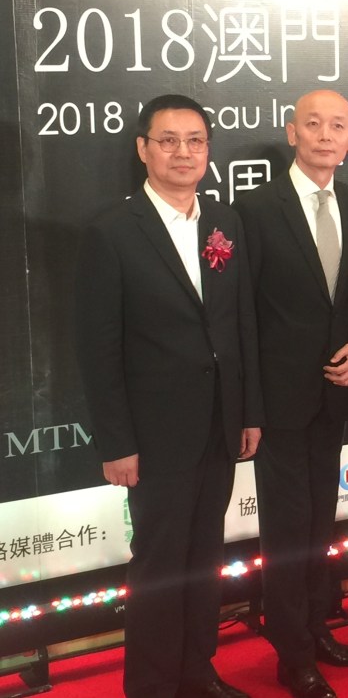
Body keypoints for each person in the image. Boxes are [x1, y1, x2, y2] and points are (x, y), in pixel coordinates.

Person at [74, 94, 263, 698]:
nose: (183, 152)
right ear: (143, 149)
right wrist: (117, 442)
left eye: (195, 141)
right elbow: (98, 348)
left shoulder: (225, 222)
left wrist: (248, 411)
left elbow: (240, 324)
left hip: (219, 424)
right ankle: (153, 686)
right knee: (158, 564)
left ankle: (197, 672)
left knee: (205, 557)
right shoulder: (111, 231)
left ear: (208, 151)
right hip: (154, 436)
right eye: (169, 140)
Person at [233, 90, 348, 698]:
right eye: (313, 124)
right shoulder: (254, 209)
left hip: (334, 395)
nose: (325, 135)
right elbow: (241, 315)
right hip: (279, 403)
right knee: (288, 533)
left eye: (337, 126)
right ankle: (291, 655)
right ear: (291, 132)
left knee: (320, 524)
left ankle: (318, 629)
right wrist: (249, 407)